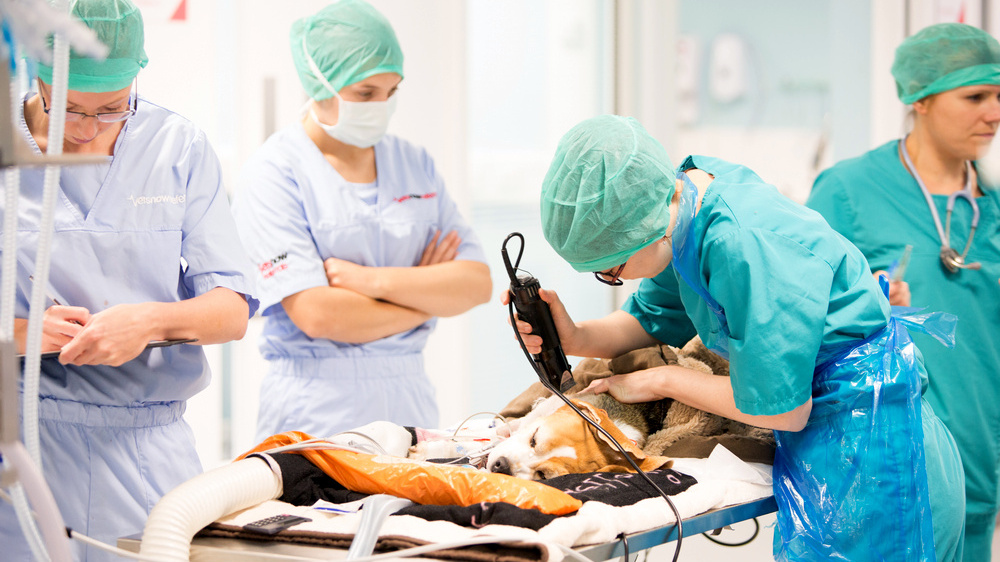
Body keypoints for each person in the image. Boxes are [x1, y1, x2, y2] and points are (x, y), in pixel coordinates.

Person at [506, 114, 965, 561]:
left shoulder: (742, 244)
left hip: (877, 455)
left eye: (612, 269)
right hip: (831, 445)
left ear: (643, 227)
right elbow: (650, 322)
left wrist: (660, 380)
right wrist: (573, 335)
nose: (614, 279)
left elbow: (782, 408)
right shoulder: (681, 213)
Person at [0, 0, 259, 560]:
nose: (88, 132)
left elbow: (233, 310)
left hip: (151, 453)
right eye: (67, 108)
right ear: (36, 75)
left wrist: (150, 321)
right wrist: (23, 333)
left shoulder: (177, 147)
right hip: (24, 448)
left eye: (113, 109)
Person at [232, 0, 491, 443]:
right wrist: (427, 295)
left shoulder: (414, 163)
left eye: (392, 92)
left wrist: (370, 282)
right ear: (319, 84)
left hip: (410, 404)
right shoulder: (275, 171)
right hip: (315, 410)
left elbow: (476, 284)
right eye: (366, 94)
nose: (382, 106)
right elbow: (317, 314)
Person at [807, 22, 1000, 562]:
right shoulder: (848, 192)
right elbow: (797, 322)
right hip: (882, 469)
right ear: (921, 98)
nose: (995, 112)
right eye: (976, 96)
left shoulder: (994, 208)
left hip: (980, 470)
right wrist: (863, 307)